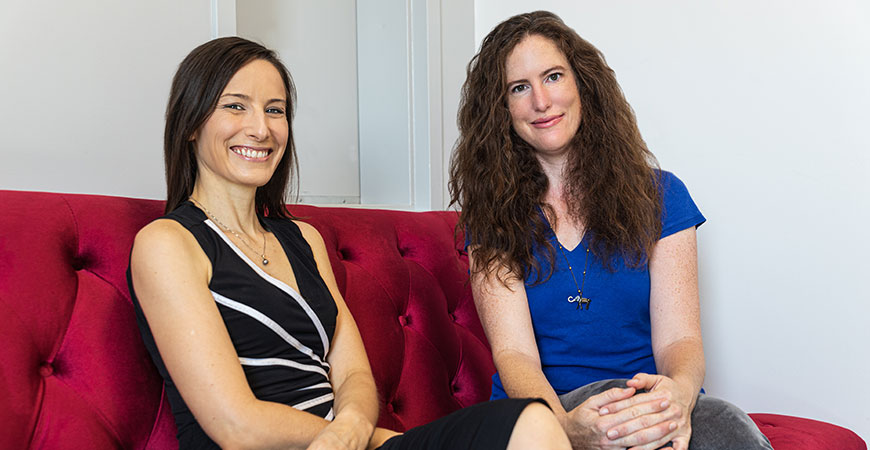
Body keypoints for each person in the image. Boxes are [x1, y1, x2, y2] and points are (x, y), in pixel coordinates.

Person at [127, 36, 570, 450]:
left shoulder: (303, 239)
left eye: (275, 110)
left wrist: (357, 429)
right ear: (191, 123)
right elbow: (235, 424)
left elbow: (354, 372)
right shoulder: (168, 243)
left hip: (349, 440)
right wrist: (359, 438)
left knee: (530, 421)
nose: (260, 129)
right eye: (235, 106)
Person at [449, 11, 772, 450]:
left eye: (554, 76)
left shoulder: (662, 196)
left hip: (648, 399)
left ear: (582, 83)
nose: (541, 101)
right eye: (519, 88)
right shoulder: (492, 216)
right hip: (542, 413)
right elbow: (515, 355)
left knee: (729, 426)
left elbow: (681, 339)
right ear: (501, 109)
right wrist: (563, 429)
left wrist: (676, 396)